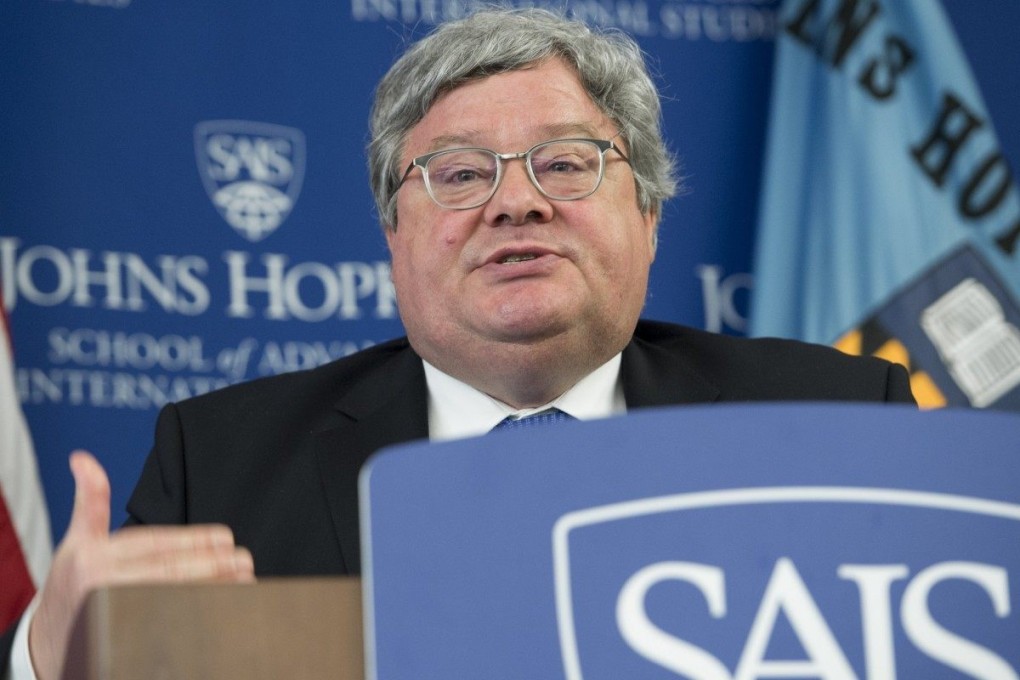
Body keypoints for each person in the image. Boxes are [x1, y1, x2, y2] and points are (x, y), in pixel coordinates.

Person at [3, 8, 916, 679]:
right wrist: (50, 655)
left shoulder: (839, 423)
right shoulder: (219, 468)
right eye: (461, 173)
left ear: (649, 215)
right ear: (393, 237)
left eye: (566, 163)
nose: (516, 202)